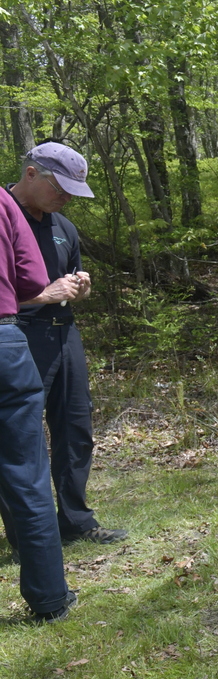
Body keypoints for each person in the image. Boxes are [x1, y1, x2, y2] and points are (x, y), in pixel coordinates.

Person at [3, 143, 127, 548]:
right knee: (20, 438)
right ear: (32, 173)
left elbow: (64, 285)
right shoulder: (4, 217)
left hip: (63, 332)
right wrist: (43, 295)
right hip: (18, 335)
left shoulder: (63, 227)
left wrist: (79, 289)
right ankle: (27, 535)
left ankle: (75, 520)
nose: (67, 198)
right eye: (62, 188)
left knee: (76, 429)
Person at [0, 160, 74, 621]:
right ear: (31, 172)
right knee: (26, 474)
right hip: (5, 341)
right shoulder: (5, 205)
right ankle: (50, 599)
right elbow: (31, 282)